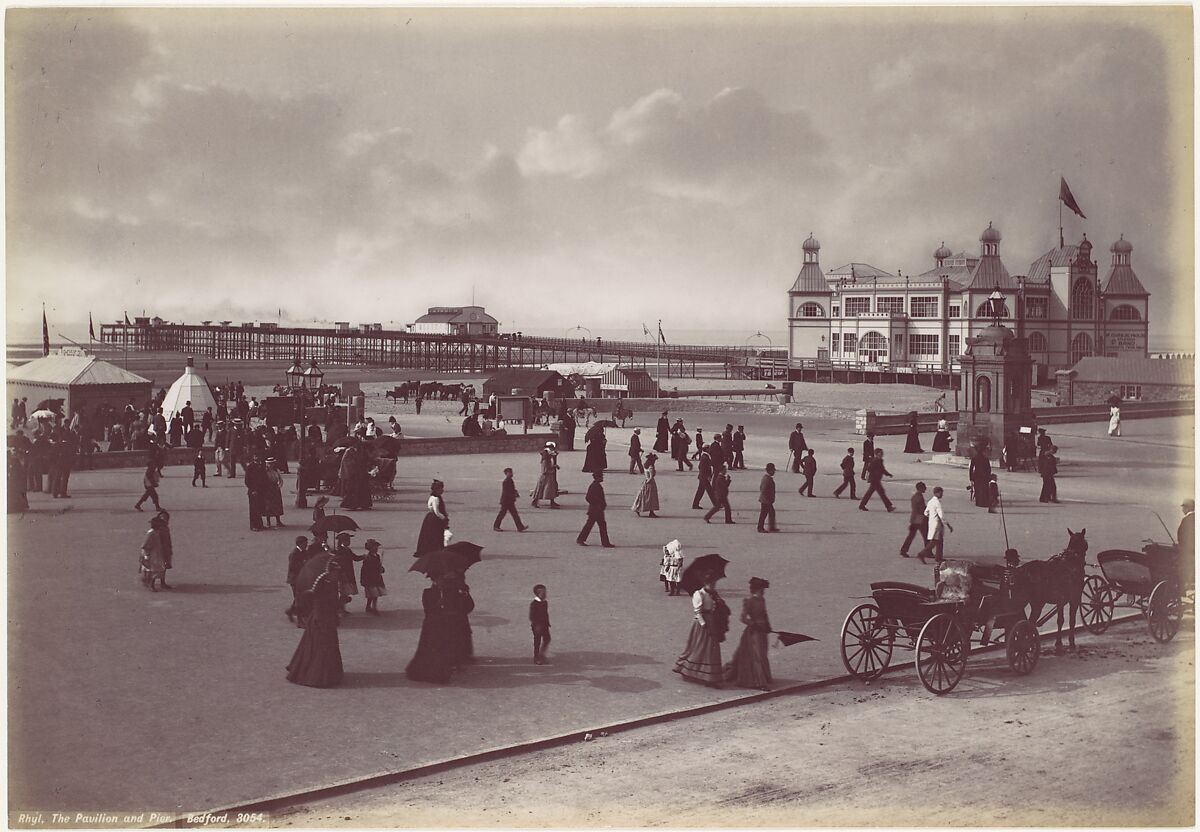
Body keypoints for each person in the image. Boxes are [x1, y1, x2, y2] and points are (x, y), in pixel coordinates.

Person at [286, 558, 344, 688]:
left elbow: (332, 602)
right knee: (319, 647)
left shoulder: (333, 581)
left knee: (327, 646)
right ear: (331, 571)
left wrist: (340, 605)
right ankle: (318, 677)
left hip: (328, 618)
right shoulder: (322, 580)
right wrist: (318, 615)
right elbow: (316, 598)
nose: (338, 574)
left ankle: (330, 675)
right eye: (336, 571)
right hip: (320, 618)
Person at [673, 571, 730, 687]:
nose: (713, 585)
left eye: (714, 583)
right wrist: (704, 625)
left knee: (712, 649)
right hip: (702, 624)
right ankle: (690, 670)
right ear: (705, 583)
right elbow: (697, 612)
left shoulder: (713, 594)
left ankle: (710, 676)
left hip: (712, 622)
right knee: (699, 647)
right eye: (711, 583)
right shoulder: (699, 594)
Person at [724, 577, 772, 691]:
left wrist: (768, 625)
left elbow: (764, 614)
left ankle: (762, 678)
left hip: (762, 632)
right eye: (761, 590)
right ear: (756, 590)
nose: (763, 592)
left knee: (762, 654)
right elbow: (743, 618)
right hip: (753, 633)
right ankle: (759, 682)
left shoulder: (762, 600)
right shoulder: (749, 601)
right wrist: (754, 624)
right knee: (756, 656)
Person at [406, 575, 454, 684]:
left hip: (444, 624)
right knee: (430, 648)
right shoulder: (427, 592)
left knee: (442, 649)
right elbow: (428, 609)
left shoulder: (448, 592)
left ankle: (441, 675)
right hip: (431, 624)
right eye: (439, 579)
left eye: (443, 580)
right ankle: (429, 673)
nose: (441, 582)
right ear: (434, 580)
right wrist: (440, 604)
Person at [980, 549, 1021, 646]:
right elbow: (1013, 586)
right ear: (1014, 560)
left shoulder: (1002, 570)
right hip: (1007, 601)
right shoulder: (1012, 572)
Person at [443, 572, 475, 669]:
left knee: (459, 632)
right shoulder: (444, 580)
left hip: (458, 610)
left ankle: (461, 655)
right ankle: (458, 656)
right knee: (456, 633)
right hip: (454, 611)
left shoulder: (458, 575)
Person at [577, 472, 615, 547]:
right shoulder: (594, 486)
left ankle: (581, 539)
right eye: (601, 476)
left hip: (597, 510)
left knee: (596, 525)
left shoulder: (596, 485)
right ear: (597, 477)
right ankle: (604, 542)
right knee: (595, 525)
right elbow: (588, 498)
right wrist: (596, 504)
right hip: (595, 510)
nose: (602, 478)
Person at [917, 486, 953, 563]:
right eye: (941, 493)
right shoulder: (937, 503)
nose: (942, 494)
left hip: (932, 523)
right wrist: (948, 525)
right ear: (938, 493)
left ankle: (938, 557)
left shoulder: (930, 501)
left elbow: (925, 512)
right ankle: (922, 554)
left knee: (937, 541)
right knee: (936, 541)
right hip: (937, 525)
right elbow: (942, 516)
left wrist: (932, 517)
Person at [415, 480, 449, 556]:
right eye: (441, 489)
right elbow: (436, 511)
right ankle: (434, 550)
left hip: (431, 518)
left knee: (430, 535)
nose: (442, 490)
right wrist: (444, 518)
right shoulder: (435, 499)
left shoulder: (434, 497)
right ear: (437, 489)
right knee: (435, 535)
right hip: (435, 519)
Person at [332, 531, 363, 614]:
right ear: (343, 541)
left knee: (345, 593)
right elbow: (338, 562)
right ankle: (339, 608)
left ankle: (342, 609)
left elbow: (355, 558)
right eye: (347, 540)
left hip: (348, 573)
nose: (349, 541)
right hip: (343, 574)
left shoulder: (347, 550)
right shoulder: (340, 551)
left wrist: (363, 556)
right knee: (343, 592)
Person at [285, 536, 311, 625]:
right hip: (295, 579)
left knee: (299, 598)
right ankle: (300, 621)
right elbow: (292, 567)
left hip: (301, 578)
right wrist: (302, 565)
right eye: (305, 543)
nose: (307, 545)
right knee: (300, 599)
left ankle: (291, 611)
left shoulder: (304, 552)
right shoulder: (294, 554)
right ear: (300, 544)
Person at [494, 467, 529, 532]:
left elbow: (512, 489)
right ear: (506, 473)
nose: (511, 474)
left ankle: (520, 527)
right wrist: (513, 495)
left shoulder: (510, 480)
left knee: (514, 514)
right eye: (509, 473)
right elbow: (506, 492)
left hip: (509, 500)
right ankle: (496, 526)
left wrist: (515, 493)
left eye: (511, 472)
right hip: (506, 501)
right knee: (503, 513)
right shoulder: (506, 481)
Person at [139, 515, 169, 591]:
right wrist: (146, 556)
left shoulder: (156, 532)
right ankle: (151, 585)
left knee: (158, 568)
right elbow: (145, 545)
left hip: (157, 553)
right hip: (152, 554)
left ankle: (153, 584)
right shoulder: (151, 533)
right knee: (154, 569)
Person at [900, 482, 928, 558]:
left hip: (914, 518)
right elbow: (922, 509)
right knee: (926, 535)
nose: (925, 488)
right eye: (924, 487)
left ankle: (903, 550)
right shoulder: (920, 497)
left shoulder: (914, 496)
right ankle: (928, 552)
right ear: (921, 488)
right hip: (920, 519)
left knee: (911, 536)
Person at [359, 538, 387, 614]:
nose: (376, 548)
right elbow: (365, 569)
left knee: (375, 594)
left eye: (377, 547)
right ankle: (371, 607)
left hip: (376, 577)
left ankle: (371, 607)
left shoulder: (377, 556)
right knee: (372, 594)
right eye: (375, 547)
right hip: (370, 578)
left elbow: (378, 565)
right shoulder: (368, 558)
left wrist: (381, 569)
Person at [531, 442, 561, 509]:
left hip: (548, 474)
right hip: (546, 475)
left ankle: (551, 502)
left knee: (549, 489)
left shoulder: (547, 454)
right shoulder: (545, 457)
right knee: (542, 488)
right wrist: (554, 466)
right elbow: (546, 467)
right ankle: (535, 501)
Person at [632, 453, 661, 518]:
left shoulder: (646, 466)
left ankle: (639, 508)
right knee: (651, 498)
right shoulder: (651, 467)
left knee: (644, 497)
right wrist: (648, 482)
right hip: (650, 484)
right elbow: (651, 477)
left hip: (646, 481)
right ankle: (651, 512)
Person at [244, 454, 267, 531]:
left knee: (260, 507)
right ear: (253, 457)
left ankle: (260, 524)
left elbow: (264, 478)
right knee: (254, 509)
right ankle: (253, 525)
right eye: (256, 456)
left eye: (258, 456)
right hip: (253, 491)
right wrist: (252, 490)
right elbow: (247, 480)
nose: (257, 457)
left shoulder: (262, 466)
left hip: (261, 490)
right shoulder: (250, 467)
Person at [530, 584, 551, 665]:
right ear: (538, 594)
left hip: (545, 625)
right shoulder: (534, 604)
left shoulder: (545, 602)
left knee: (547, 639)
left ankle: (541, 654)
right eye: (543, 593)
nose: (545, 594)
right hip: (537, 626)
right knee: (537, 642)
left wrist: (547, 623)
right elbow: (532, 616)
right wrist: (536, 625)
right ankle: (536, 657)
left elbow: (546, 614)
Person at [969, 442, 993, 509]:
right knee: (983, 489)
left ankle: (978, 502)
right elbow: (988, 468)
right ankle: (984, 502)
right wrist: (989, 476)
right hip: (984, 475)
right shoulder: (985, 459)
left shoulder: (974, 458)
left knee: (977, 489)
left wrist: (971, 477)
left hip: (976, 475)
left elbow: (971, 468)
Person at [691, 445, 715, 510]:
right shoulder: (705, 457)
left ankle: (695, 504)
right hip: (704, 477)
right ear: (706, 449)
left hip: (702, 477)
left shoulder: (705, 456)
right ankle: (716, 504)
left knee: (701, 491)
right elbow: (703, 468)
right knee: (710, 491)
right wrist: (707, 476)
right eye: (709, 448)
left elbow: (700, 467)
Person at [264, 458, 285, 527]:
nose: (271, 465)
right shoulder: (265, 472)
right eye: (269, 463)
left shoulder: (276, 471)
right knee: (268, 505)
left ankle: (278, 521)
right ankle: (268, 522)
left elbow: (280, 480)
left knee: (277, 505)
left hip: (275, 488)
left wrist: (279, 486)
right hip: (268, 488)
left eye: (272, 463)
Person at [757, 463, 778, 533]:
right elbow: (763, 490)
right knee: (764, 514)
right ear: (770, 470)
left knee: (770, 512)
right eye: (773, 470)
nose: (774, 472)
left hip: (766, 500)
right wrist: (768, 499)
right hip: (766, 500)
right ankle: (760, 528)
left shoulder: (767, 478)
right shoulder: (767, 479)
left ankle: (771, 527)